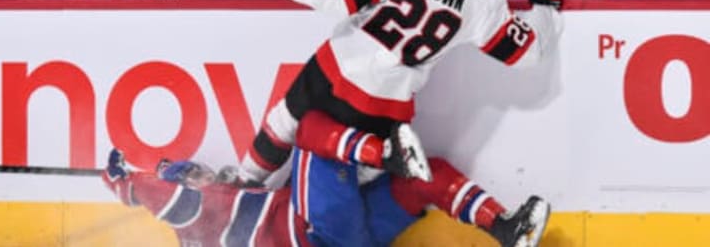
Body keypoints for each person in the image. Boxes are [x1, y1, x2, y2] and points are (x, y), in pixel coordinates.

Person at [242, 0, 573, 200]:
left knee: (284, 122)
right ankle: (298, 219)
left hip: (334, 69)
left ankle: (242, 185)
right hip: (387, 102)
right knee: (346, 178)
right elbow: (528, 53)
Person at [103, 111, 550, 247]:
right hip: (314, 236)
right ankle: (382, 153)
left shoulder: (219, 211)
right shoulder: (197, 219)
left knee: (423, 177)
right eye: (196, 173)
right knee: (312, 132)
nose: (209, 173)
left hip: (349, 238)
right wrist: (127, 182)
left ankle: (506, 227)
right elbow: (170, 201)